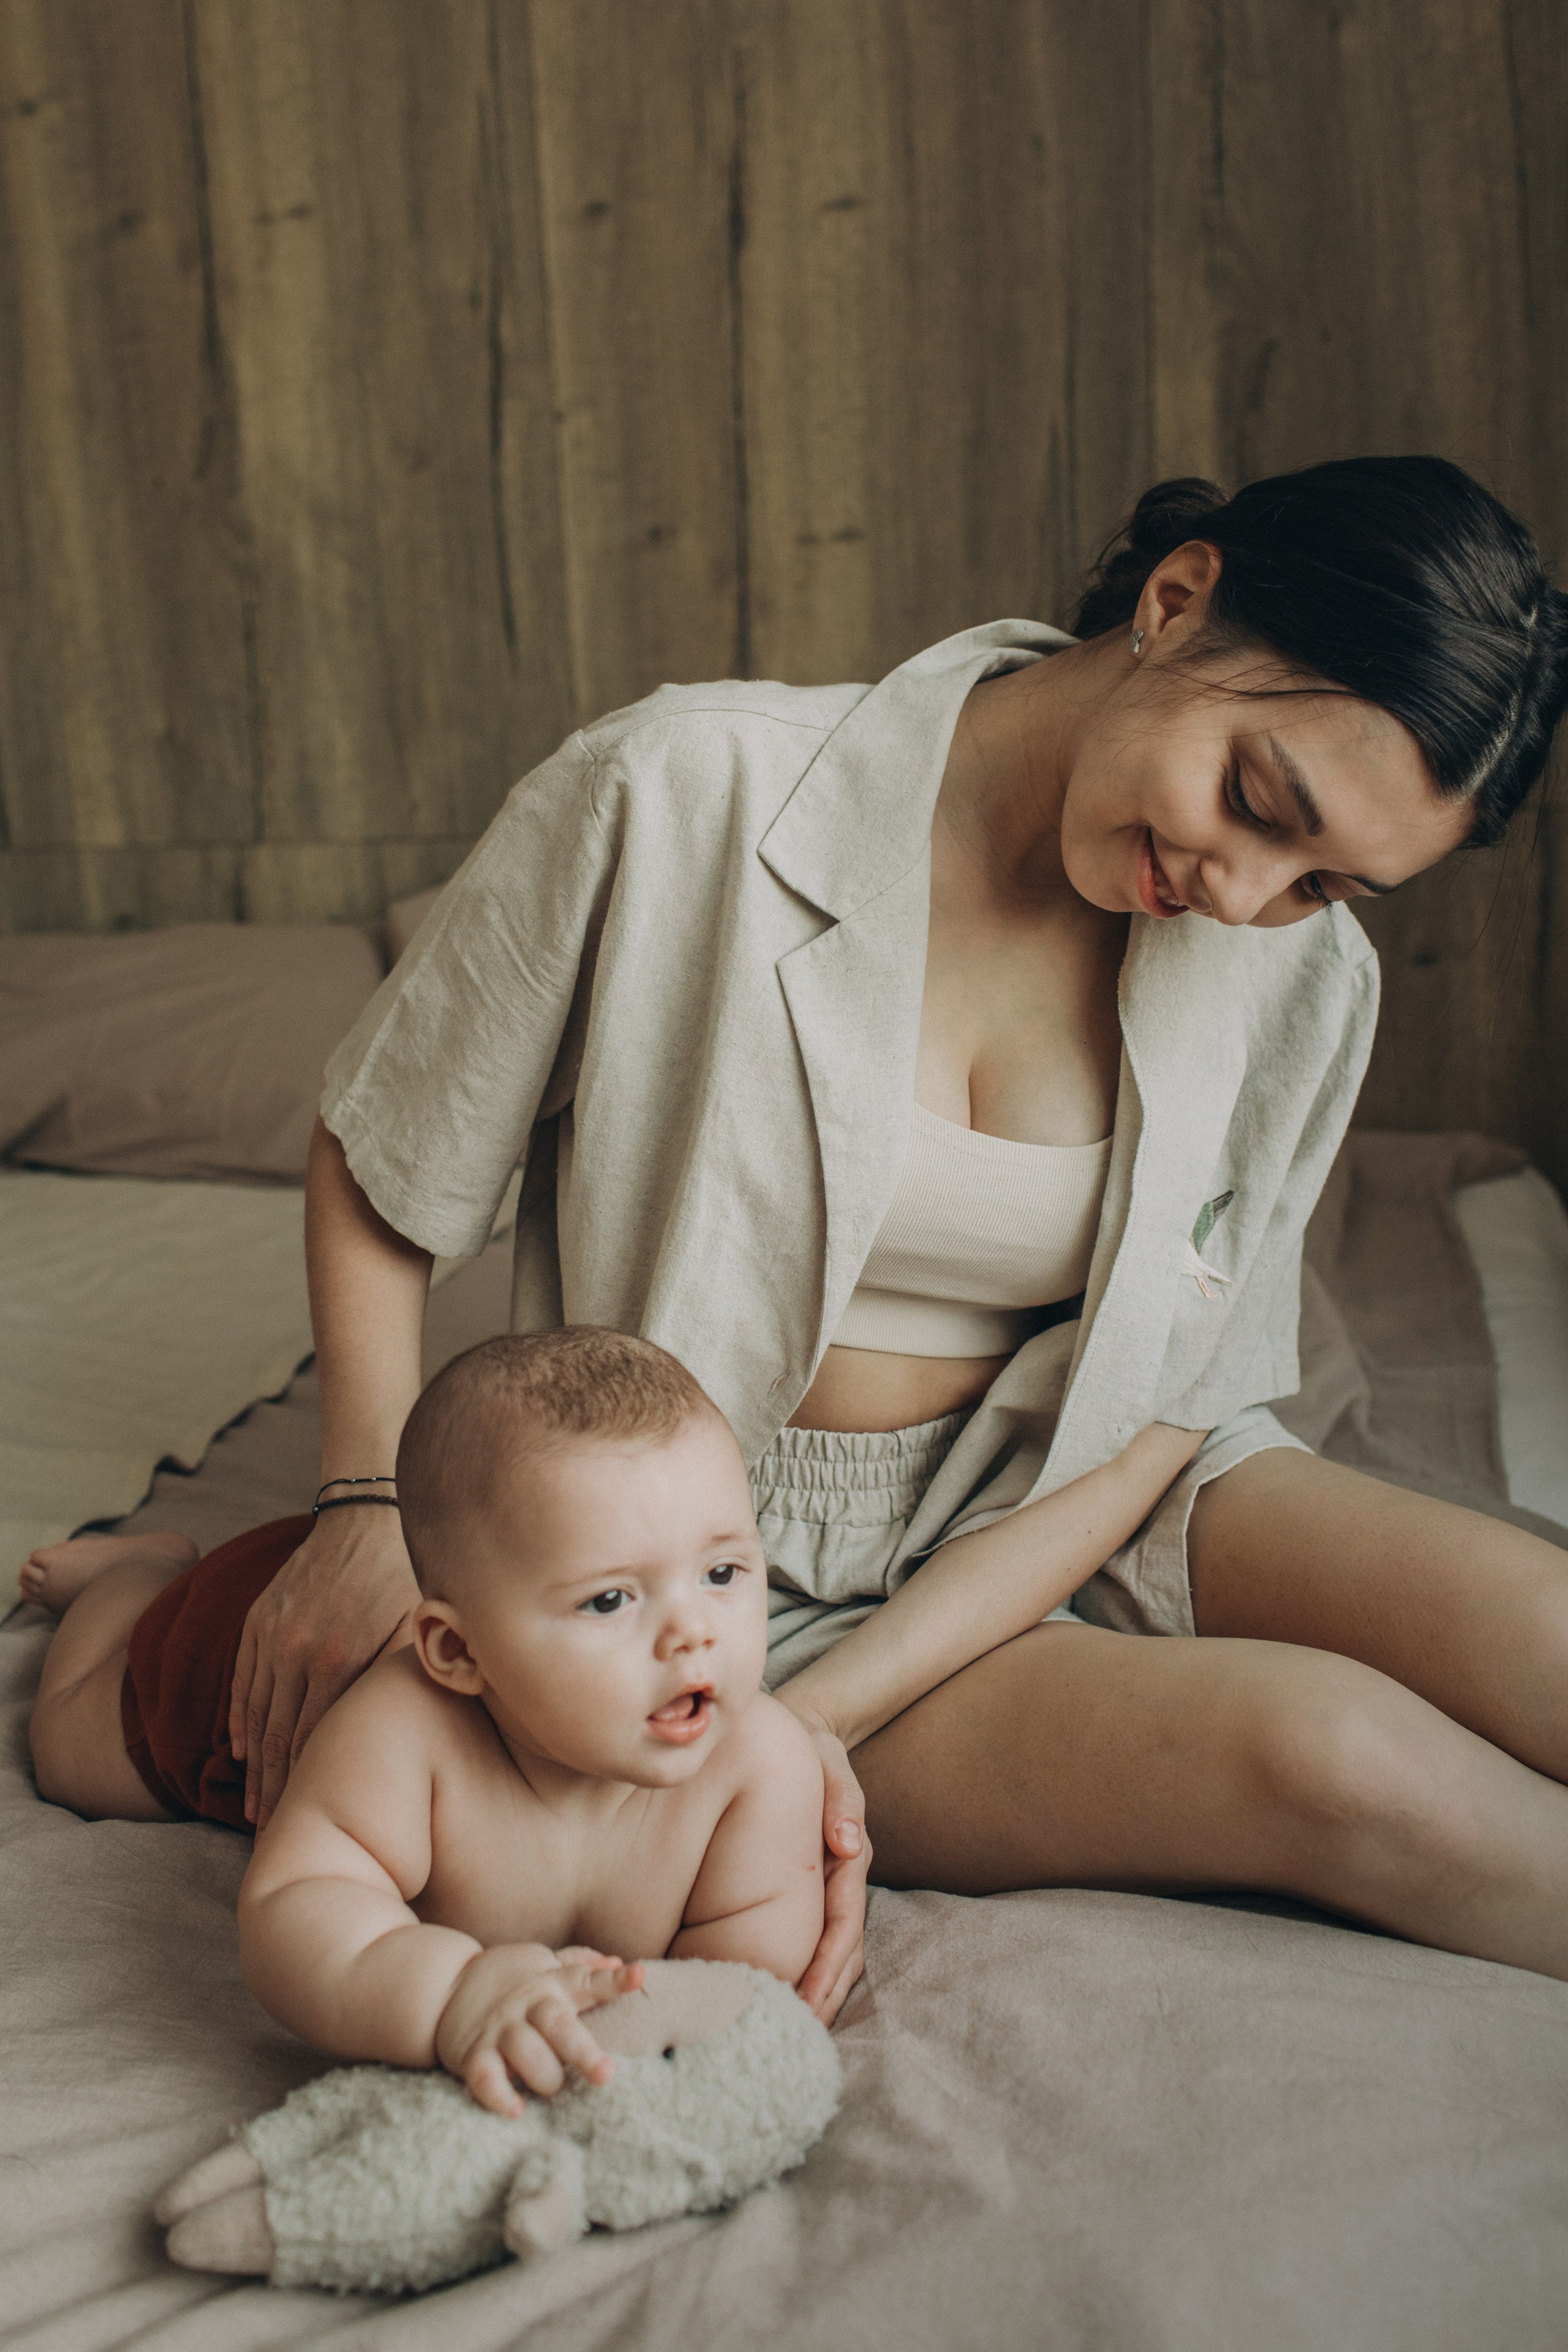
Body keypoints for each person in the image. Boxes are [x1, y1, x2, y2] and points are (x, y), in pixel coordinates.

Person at [23, 455, 1568, 2010]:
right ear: (1176, 605)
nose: (1242, 901)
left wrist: (839, 1715)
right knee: (1342, 1764)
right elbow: (386, 1159)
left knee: (1543, 1629)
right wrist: (367, 1502)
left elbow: (1165, 1414)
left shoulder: (1308, 981)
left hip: (1083, 1476)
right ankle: (141, 1582)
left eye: (1323, 884)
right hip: (728, 1557)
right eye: (1252, 802)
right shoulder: (678, 787)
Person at [28, 1326, 1202, 2107]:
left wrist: (666, 2045)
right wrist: (445, 1997)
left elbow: (742, 1973)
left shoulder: (755, 1769)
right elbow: (293, 1910)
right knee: (75, 1750)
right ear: (456, 1651)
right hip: (238, 1662)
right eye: (609, 1599)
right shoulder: (400, 1735)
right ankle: (130, 1575)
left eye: (725, 1576)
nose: (693, 1634)